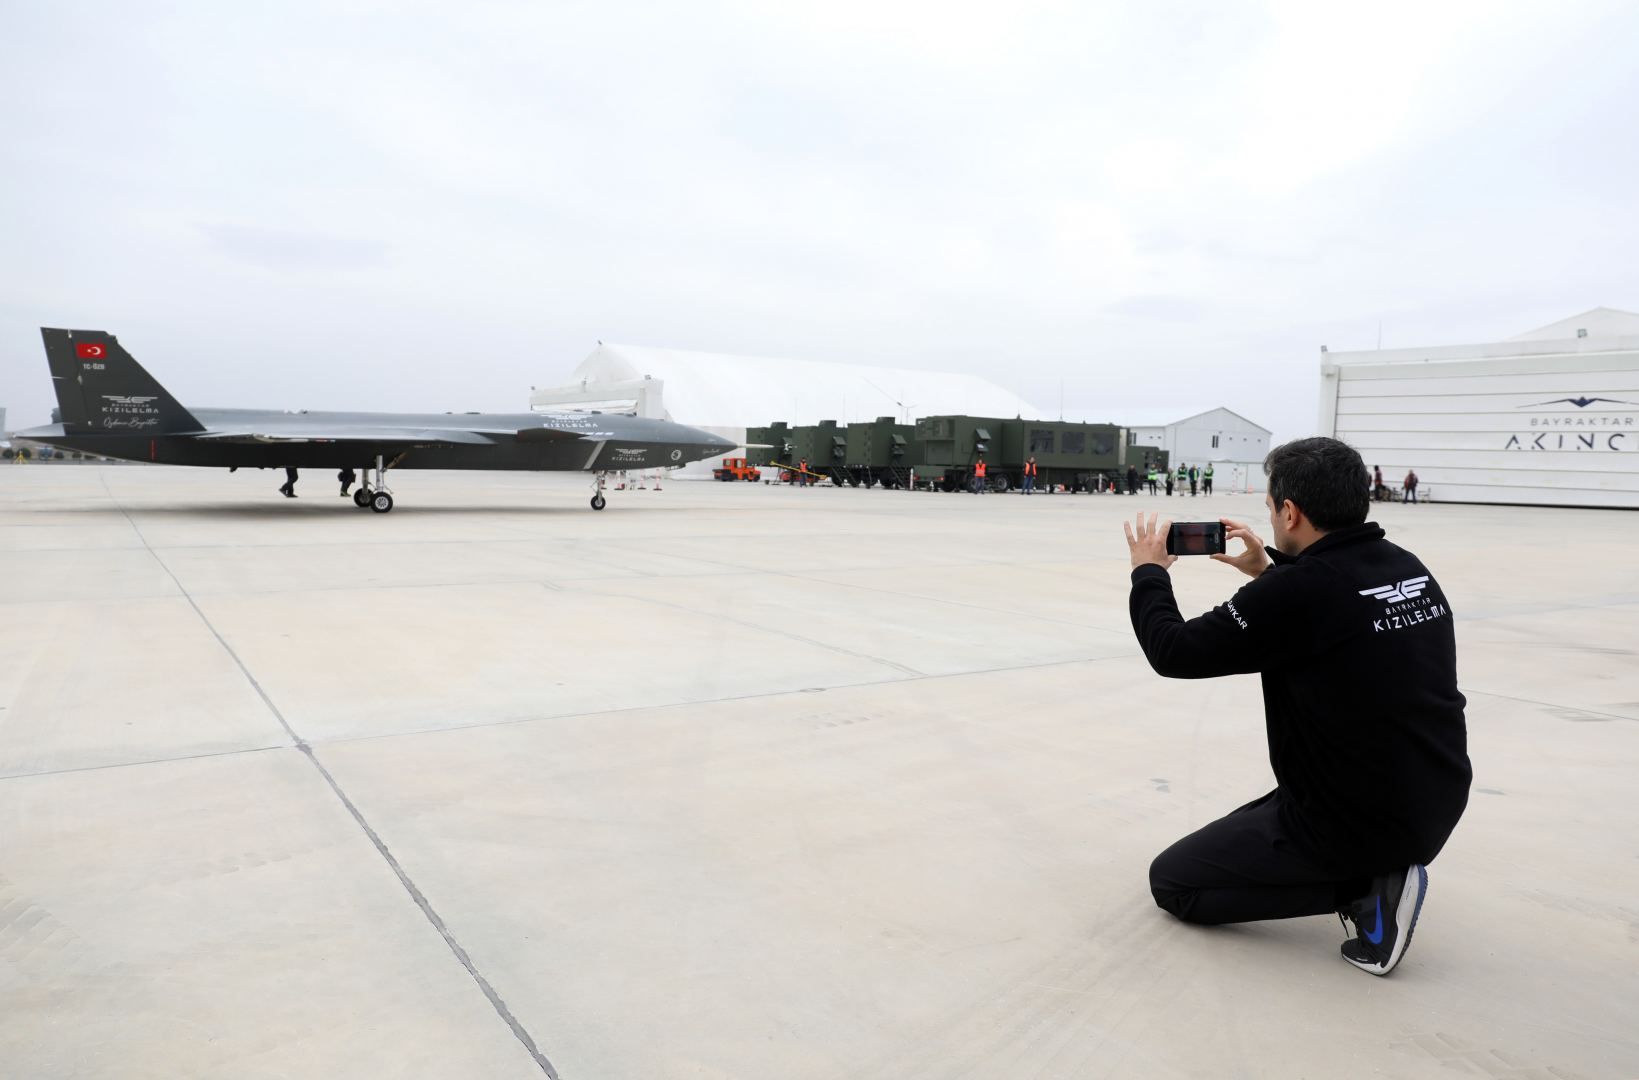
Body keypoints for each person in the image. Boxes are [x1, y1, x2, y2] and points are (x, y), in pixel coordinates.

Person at [1123, 437, 1469, 976]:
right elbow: (1332, 613)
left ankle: (1368, 889)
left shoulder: (1298, 592)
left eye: (1270, 506)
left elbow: (1175, 652)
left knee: (1175, 882)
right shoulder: (1404, 566)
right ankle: (1373, 868)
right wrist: (1268, 569)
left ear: (1290, 511)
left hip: (1357, 820)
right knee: (1255, 821)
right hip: (1434, 794)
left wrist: (1149, 573)